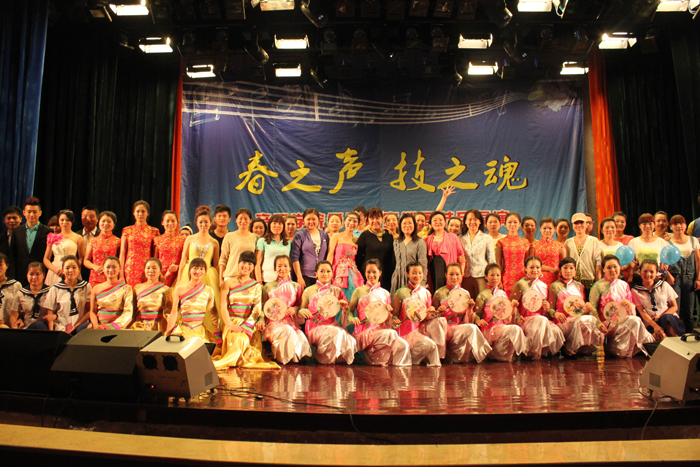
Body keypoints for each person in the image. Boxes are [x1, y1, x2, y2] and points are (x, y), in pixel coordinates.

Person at [213, 251, 279, 369]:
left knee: (242, 340)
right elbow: (223, 306)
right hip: (232, 323)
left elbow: (257, 308)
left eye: (250, 264)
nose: (246, 266)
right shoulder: (228, 283)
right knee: (237, 340)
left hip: (249, 325)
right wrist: (229, 325)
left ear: (253, 267)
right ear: (238, 263)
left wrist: (247, 326)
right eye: (243, 262)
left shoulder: (256, 286)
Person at [347, 260, 411, 366]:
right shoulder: (358, 291)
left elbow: (388, 320)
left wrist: (390, 315)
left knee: (404, 345)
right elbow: (349, 311)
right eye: (368, 272)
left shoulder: (385, 293)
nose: (371, 275)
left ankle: (401, 373)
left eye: (374, 272)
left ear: (380, 273)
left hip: (382, 333)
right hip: (364, 333)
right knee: (391, 334)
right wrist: (351, 319)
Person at [589, 255, 654, 358]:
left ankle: (620, 349)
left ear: (620, 267)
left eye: (615, 266)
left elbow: (631, 308)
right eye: (609, 267)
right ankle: (650, 346)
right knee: (635, 321)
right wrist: (598, 324)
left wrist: (629, 306)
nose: (613, 270)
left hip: (623, 321)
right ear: (603, 270)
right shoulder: (597, 286)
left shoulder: (624, 285)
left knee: (635, 320)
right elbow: (592, 308)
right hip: (605, 325)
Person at [298, 261, 357, 364]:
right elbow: (300, 310)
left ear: (332, 273)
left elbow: (348, 312)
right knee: (336, 333)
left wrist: (344, 309)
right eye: (322, 271)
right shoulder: (308, 290)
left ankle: (328, 362)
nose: (325, 274)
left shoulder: (337, 291)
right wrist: (303, 311)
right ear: (316, 273)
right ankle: (323, 359)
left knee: (348, 339)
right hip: (314, 327)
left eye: (328, 271)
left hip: (332, 325)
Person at [432, 263, 492, 363]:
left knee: (472, 328)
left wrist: (469, 309)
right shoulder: (439, 293)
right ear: (446, 275)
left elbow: (467, 320)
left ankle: (482, 354)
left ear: (461, 275)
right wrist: (439, 312)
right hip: (443, 331)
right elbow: (433, 318)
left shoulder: (465, 293)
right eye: (451, 274)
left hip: (458, 329)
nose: (454, 277)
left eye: (457, 274)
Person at [510, 256, 564, 359]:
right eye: (531, 267)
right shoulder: (520, 284)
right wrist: (517, 317)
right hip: (525, 320)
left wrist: (546, 308)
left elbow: (544, 309)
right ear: (525, 269)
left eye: (538, 267)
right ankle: (532, 353)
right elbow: (513, 305)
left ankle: (541, 353)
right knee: (541, 320)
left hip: (540, 319)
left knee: (555, 330)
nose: (535, 270)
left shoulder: (544, 286)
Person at [547, 257, 603, 356]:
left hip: (577, 320)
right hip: (562, 322)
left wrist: (586, 309)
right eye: (565, 268)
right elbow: (550, 309)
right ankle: (569, 348)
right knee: (581, 321)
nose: (568, 271)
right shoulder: (555, 286)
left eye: (571, 268)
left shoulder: (580, 286)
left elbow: (581, 307)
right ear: (560, 270)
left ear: (575, 271)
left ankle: (580, 348)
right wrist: (556, 314)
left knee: (590, 320)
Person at [474, 263, 529, 362]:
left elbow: (507, 313)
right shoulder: (482, 295)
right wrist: (479, 321)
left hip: (502, 326)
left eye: (498, 275)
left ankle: (507, 354)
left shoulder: (502, 293)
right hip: (490, 329)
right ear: (486, 276)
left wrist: (513, 308)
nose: (495, 278)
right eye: (492, 275)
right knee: (515, 329)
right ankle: (525, 352)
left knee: (516, 329)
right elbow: (477, 314)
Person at [392, 261, 444, 366]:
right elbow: (395, 314)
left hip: (419, 331)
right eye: (414, 273)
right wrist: (395, 320)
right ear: (407, 274)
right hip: (403, 332)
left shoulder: (426, 293)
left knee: (432, 346)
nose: (417, 276)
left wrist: (433, 312)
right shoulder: (400, 292)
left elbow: (426, 316)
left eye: (420, 273)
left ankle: (435, 369)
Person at [262, 255, 312, 364]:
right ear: (275, 268)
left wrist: (294, 309)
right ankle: (281, 356)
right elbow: (263, 308)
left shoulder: (296, 287)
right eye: (279, 266)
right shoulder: (268, 286)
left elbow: (300, 306)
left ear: (290, 268)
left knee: (300, 337)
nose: (282, 269)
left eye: (285, 266)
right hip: (273, 323)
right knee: (287, 331)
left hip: (290, 322)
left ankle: (293, 357)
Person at [165, 258, 218, 343]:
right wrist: (168, 332)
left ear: (205, 272)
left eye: (201, 269)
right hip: (183, 329)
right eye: (195, 268)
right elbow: (174, 312)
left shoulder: (208, 290)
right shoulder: (179, 289)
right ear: (189, 270)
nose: (198, 271)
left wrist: (218, 334)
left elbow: (213, 314)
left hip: (199, 331)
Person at [176, 207, 220, 310]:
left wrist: (219, 281)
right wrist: (179, 279)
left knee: (205, 303)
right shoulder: (189, 239)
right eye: (200, 222)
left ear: (210, 223)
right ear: (196, 223)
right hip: (189, 273)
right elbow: (183, 259)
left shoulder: (214, 242)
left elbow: (216, 264)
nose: (203, 224)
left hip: (208, 274)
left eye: (206, 222)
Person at [632, 260, 684, 340]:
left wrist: (660, 317)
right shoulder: (635, 291)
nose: (648, 274)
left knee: (666, 319)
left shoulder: (664, 285)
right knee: (660, 335)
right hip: (651, 323)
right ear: (640, 271)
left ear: (656, 273)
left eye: (651, 272)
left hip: (670, 320)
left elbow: (674, 306)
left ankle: (676, 341)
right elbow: (642, 312)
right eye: (645, 271)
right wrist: (656, 326)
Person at [42, 255, 91, 332]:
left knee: (90, 326)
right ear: (63, 271)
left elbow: (90, 310)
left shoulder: (85, 286)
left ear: (79, 269)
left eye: (74, 267)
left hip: (79, 326)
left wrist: (77, 325)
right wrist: (51, 334)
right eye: (67, 268)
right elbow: (50, 314)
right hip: (61, 327)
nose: (70, 270)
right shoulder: (55, 289)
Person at [668, 215, 699, 332]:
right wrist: (668, 275)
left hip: (690, 279)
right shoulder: (667, 243)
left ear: (686, 225)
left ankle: (690, 335)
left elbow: (698, 260)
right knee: (676, 310)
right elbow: (665, 263)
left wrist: (698, 278)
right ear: (671, 227)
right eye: (675, 224)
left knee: (689, 312)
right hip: (675, 279)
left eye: (681, 223)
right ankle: (677, 336)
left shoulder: (693, 240)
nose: (679, 226)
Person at [9, 197, 50, 285]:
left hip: (40, 275)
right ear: (24, 213)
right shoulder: (16, 231)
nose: (31, 214)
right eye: (29, 212)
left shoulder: (48, 231)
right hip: (20, 275)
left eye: (34, 212)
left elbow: (50, 256)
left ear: (40, 213)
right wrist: (12, 276)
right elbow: (12, 255)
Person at [119, 201, 160, 286]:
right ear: (133, 213)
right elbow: (122, 253)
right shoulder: (127, 230)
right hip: (130, 269)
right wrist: (121, 274)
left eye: (143, 211)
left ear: (148, 213)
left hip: (147, 269)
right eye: (137, 211)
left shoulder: (154, 231)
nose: (140, 214)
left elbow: (156, 254)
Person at [424, 210, 466, 293]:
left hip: (450, 271)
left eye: (440, 220)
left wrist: (461, 273)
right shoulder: (426, 240)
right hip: (433, 271)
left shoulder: (453, 237)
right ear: (431, 224)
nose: (438, 222)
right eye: (435, 220)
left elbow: (461, 257)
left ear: (445, 222)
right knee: (436, 292)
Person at [356, 207, 395, 291]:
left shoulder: (389, 235)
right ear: (367, 220)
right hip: (369, 277)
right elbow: (358, 259)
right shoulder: (364, 236)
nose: (375, 221)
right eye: (372, 218)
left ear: (382, 218)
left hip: (386, 278)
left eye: (377, 218)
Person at [88, 257, 133, 330]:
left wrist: (109, 327)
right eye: (108, 267)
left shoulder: (126, 289)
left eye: (114, 267)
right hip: (100, 328)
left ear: (120, 269)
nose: (111, 270)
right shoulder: (96, 289)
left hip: (118, 329)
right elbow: (93, 311)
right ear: (103, 269)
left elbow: (128, 313)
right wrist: (96, 325)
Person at [327, 211, 363, 301]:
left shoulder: (357, 240)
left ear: (358, 224)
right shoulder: (336, 236)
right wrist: (328, 272)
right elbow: (330, 255)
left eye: (355, 221)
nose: (351, 223)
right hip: (338, 272)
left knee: (353, 297)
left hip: (353, 273)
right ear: (344, 221)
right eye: (349, 220)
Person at [43, 210, 85, 287]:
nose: (64, 222)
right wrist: (55, 270)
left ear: (72, 221)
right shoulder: (52, 237)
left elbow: (81, 258)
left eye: (67, 220)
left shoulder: (78, 238)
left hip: (71, 269)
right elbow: (46, 259)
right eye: (62, 220)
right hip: (55, 270)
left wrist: (76, 268)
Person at [291, 207, 330, 289]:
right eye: (308, 219)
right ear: (303, 221)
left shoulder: (325, 235)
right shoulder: (299, 235)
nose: (311, 222)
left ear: (318, 220)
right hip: (305, 276)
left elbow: (328, 255)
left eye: (314, 219)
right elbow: (295, 257)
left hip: (322, 276)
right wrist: (299, 277)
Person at [460, 209, 495, 297]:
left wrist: (492, 276)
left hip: (481, 275)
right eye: (469, 219)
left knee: (482, 300)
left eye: (475, 219)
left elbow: (491, 259)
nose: (472, 222)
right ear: (465, 222)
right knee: (466, 301)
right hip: (465, 276)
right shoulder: (460, 238)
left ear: (480, 221)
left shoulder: (487, 238)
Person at [628, 213, 671, 284]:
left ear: (654, 225)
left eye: (650, 223)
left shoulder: (661, 242)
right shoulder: (633, 242)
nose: (648, 226)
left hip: (656, 278)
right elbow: (631, 260)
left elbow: (666, 261)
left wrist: (665, 266)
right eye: (644, 224)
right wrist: (633, 266)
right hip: (639, 278)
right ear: (639, 226)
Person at [130, 258, 172, 332]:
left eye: (154, 268)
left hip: (158, 327)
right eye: (148, 268)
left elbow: (169, 313)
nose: (151, 270)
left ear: (160, 271)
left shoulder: (166, 290)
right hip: (139, 326)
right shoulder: (136, 288)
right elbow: (132, 312)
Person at [391, 213, 427, 295]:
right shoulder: (396, 242)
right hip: (398, 278)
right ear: (400, 226)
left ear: (414, 225)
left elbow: (423, 264)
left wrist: (422, 283)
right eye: (404, 223)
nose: (407, 225)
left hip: (414, 279)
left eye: (410, 223)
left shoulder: (420, 243)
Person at [565, 213, 601, 294]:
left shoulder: (594, 241)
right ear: (572, 225)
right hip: (573, 281)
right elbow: (566, 262)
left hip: (590, 280)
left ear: (586, 224)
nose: (579, 225)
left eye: (581, 222)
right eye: (576, 223)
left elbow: (598, 261)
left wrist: (598, 280)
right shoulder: (568, 242)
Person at [220, 208, 258, 284]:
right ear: (236, 220)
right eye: (240, 218)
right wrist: (220, 279)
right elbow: (223, 259)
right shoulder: (229, 236)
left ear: (250, 220)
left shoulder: (255, 237)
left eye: (246, 219)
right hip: (231, 276)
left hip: (248, 277)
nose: (243, 221)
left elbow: (257, 259)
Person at [495, 212, 529, 295]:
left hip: (522, 276)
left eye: (515, 222)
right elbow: (498, 262)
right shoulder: (501, 242)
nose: (512, 224)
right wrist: (499, 279)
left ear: (520, 224)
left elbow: (527, 263)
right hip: (506, 277)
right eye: (509, 222)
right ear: (505, 224)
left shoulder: (525, 242)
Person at [84, 211, 120, 287]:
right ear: (98, 222)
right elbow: (86, 260)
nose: (105, 224)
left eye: (109, 222)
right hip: (95, 276)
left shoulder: (118, 241)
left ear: (113, 224)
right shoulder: (92, 240)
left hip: (111, 276)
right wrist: (94, 266)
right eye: (103, 221)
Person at [8, 262, 50, 329]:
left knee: (39, 324)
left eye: (37, 274)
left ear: (43, 275)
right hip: (27, 328)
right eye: (31, 274)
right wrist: (15, 328)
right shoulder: (21, 293)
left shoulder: (50, 292)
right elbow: (14, 315)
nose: (34, 277)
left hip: (44, 328)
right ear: (27, 275)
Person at [529, 217, 566, 289]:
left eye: (550, 228)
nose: (547, 230)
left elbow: (564, 265)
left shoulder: (560, 246)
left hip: (555, 280)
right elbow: (531, 265)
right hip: (538, 280)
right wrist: (549, 269)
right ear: (540, 228)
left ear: (554, 229)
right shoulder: (534, 246)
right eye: (544, 228)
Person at [256, 214, 291, 284]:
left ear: (283, 226)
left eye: (280, 223)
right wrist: (259, 281)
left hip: (285, 280)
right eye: (274, 223)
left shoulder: (288, 243)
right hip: (268, 279)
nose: (277, 226)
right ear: (269, 225)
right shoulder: (262, 241)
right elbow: (257, 263)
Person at [154, 210, 186, 287]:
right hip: (161, 276)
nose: (170, 223)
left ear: (177, 222)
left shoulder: (183, 240)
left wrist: (178, 267)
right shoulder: (157, 239)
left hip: (178, 276)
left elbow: (186, 259)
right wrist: (158, 273)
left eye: (173, 221)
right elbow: (155, 259)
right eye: (167, 221)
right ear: (162, 222)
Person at [0, 253, 22, 327]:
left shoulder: (16, 285)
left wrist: (20, 319)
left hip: (11, 326)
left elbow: (22, 308)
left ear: (7, 266)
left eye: (0, 265)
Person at [78, 205, 99, 280]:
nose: (88, 219)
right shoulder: (76, 235)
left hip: (97, 271)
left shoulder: (101, 235)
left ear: (97, 219)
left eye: (91, 216)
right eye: (85, 216)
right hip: (79, 272)